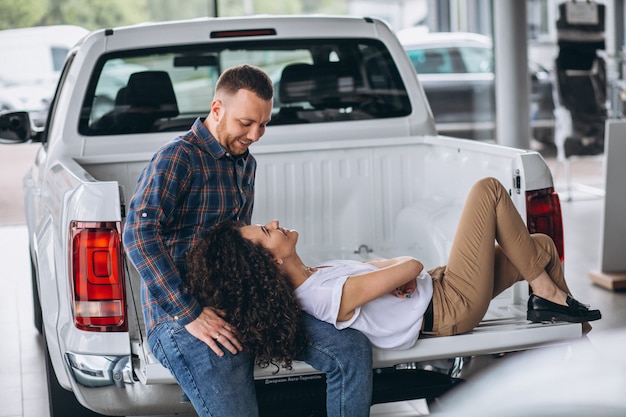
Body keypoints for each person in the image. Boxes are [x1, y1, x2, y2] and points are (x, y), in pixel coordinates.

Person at [123, 64, 373, 417]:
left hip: (239, 305)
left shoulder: (245, 163)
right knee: (233, 363)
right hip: (178, 318)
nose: (255, 134)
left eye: (264, 124)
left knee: (350, 348)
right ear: (217, 109)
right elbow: (137, 234)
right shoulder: (178, 157)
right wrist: (189, 313)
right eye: (246, 123)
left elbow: (245, 253)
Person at [188, 177, 601, 355]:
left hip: (439, 288)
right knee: (488, 190)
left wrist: (391, 274)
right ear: (272, 261)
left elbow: (384, 268)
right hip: (449, 305)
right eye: (266, 229)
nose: (274, 222)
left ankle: (577, 338)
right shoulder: (320, 294)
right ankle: (548, 298)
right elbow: (409, 264)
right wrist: (399, 270)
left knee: (540, 249)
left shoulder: (317, 274)